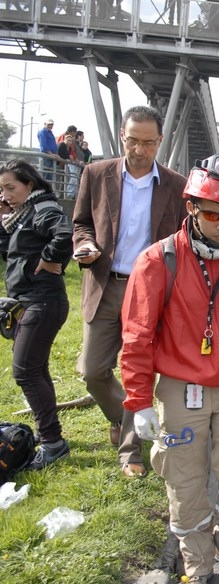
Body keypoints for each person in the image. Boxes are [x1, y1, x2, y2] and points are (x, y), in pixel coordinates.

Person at [120, 153, 219, 584]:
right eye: (213, 213)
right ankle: (197, 561)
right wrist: (139, 401)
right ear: (192, 208)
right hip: (181, 389)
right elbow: (136, 335)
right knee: (185, 481)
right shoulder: (158, 262)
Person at [72, 105, 188, 478]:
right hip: (106, 285)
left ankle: (130, 452)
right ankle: (127, 420)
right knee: (92, 371)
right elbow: (81, 223)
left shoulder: (176, 185)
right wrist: (85, 244)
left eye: (148, 143)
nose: (139, 149)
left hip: (151, 294)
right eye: (133, 141)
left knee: (140, 373)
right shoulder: (96, 174)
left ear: (160, 142)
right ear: (122, 136)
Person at [0, 159, 73, 470]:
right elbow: (11, 253)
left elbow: (64, 232)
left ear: (29, 185)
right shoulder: (21, 215)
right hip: (33, 300)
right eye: (1, 189)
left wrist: (47, 260)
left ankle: (53, 443)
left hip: (43, 300)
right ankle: (51, 437)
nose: (5, 194)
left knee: (25, 371)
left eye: (10, 187)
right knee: (36, 369)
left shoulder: (42, 208)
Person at [37, 119, 59, 185]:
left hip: (51, 156)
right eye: (49, 124)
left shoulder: (50, 133)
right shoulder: (42, 131)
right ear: (45, 124)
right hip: (46, 156)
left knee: (49, 175)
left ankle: (46, 191)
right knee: (45, 175)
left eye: (51, 124)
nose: (50, 126)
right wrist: (51, 154)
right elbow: (43, 144)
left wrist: (55, 154)